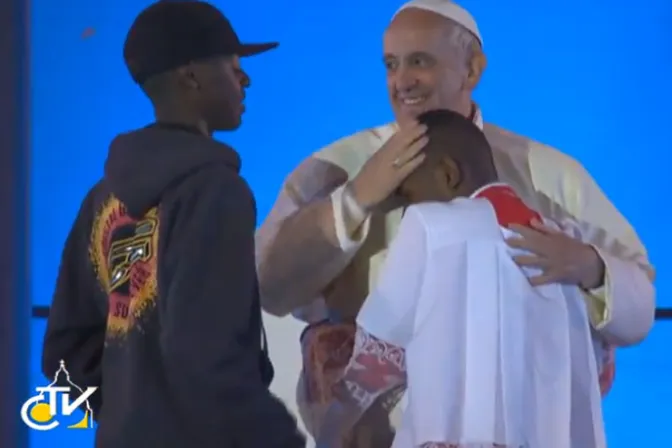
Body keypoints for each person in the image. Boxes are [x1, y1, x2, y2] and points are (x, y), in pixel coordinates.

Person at [255, 0, 653, 444]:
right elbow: (271, 288)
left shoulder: (551, 176)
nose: (401, 81)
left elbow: (637, 308)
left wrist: (591, 267)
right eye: (391, 64)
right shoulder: (334, 165)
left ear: (472, 69)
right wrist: (355, 199)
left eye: (419, 62)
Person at [41, 2, 304, 447]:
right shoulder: (215, 193)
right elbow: (208, 358)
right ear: (192, 75)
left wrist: (134, 412)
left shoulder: (101, 199)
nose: (245, 79)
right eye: (233, 65)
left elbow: (64, 352)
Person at [315, 109, 606, 448]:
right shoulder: (562, 244)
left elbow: (378, 356)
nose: (408, 209)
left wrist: (337, 419)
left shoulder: (431, 225)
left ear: (448, 174)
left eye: (408, 196)